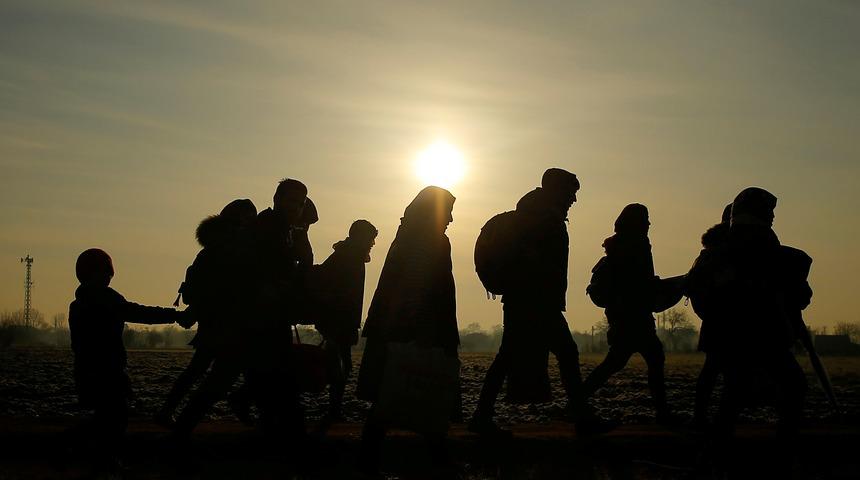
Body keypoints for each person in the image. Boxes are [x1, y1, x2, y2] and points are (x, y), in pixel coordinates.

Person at [470, 168, 610, 436]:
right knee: (562, 353)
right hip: (534, 302)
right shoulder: (541, 219)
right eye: (571, 192)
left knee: (511, 356)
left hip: (528, 301)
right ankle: (582, 418)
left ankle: (482, 415)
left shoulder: (538, 215)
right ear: (557, 190)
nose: (574, 199)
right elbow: (537, 263)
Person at [686, 188, 810, 437]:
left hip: (731, 334)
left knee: (735, 392)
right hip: (761, 334)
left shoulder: (719, 251)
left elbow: (695, 287)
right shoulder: (761, 246)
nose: (772, 217)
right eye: (768, 211)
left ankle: (718, 448)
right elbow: (796, 293)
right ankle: (779, 453)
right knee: (791, 387)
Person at [355, 186, 459, 474]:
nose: (450, 218)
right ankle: (437, 462)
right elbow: (419, 288)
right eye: (448, 211)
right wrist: (425, 330)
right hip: (412, 329)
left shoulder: (408, 236)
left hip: (398, 328)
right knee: (417, 394)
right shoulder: (429, 241)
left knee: (391, 399)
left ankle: (370, 461)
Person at [68, 248, 184, 471]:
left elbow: (78, 345)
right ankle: (98, 456)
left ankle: (98, 457)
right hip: (108, 371)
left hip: (86, 370)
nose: (109, 277)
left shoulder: (77, 305)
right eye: (105, 272)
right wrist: (175, 315)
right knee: (114, 418)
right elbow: (139, 313)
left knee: (107, 417)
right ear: (96, 273)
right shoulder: (107, 300)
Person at [156, 199, 257, 425]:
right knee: (228, 373)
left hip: (212, 321)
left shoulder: (212, 250)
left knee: (198, 370)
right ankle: (184, 420)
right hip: (228, 322)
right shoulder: (235, 249)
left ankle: (169, 411)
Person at [582, 204, 679, 425]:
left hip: (623, 315)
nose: (649, 224)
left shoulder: (618, 246)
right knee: (651, 359)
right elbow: (634, 283)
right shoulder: (637, 246)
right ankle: (663, 414)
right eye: (646, 219)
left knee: (617, 362)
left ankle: (577, 399)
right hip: (634, 315)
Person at [310, 219, 378, 422]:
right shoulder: (348, 257)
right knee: (341, 366)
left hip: (339, 319)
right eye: (371, 239)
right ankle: (334, 410)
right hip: (338, 320)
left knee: (339, 365)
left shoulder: (347, 255)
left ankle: (334, 408)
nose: (373, 243)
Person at [690, 204, 732, 427]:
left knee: (712, 370)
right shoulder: (727, 252)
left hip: (713, 320)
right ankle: (718, 424)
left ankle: (701, 417)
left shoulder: (709, 252)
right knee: (728, 374)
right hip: (727, 319)